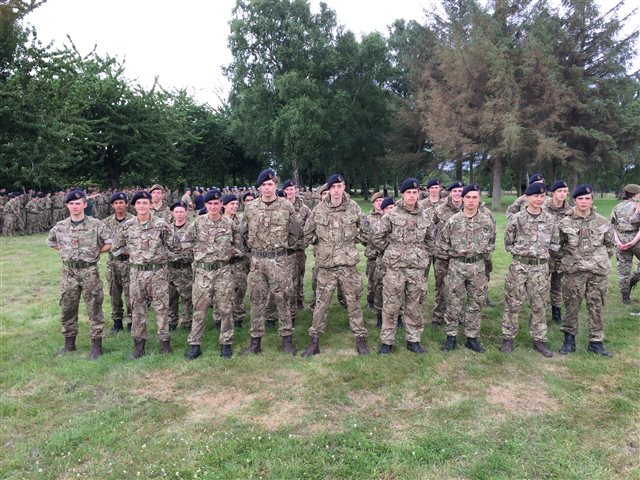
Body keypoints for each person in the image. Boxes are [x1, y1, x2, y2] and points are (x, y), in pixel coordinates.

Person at [301, 174, 369, 356]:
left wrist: (354, 240)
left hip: (347, 266)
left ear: (344, 187)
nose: (337, 190)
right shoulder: (319, 209)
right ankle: (314, 341)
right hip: (327, 266)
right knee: (320, 305)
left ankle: (360, 338)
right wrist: (320, 243)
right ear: (329, 189)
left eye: (340, 186)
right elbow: (307, 232)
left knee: (353, 303)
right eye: (333, 187)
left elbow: (366, 230)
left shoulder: (353, 207)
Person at [110, 191, 179, 359]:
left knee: (161, 308)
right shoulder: (127, 226)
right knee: (137, 308)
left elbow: (175, 245)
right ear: (134, 206)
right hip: (136, 273)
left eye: (145, 203)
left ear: (150, 205)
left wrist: (161, 254)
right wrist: (133, 252)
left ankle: (165, 343)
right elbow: (116, 247)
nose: (142, 206)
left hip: (158, 273)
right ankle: (139, 345)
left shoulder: (161, 224)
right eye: (139, 203)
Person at [242, 169, 302, 355]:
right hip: (258, 261)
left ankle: (287, 340)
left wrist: (283, 248)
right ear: (259, 187)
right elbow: (243, 233)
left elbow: (295, 231)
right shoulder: (251, 208)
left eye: (270, 184)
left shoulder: (286, 206)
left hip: (279, 260)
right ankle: (255, 341)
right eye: (263, 185)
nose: (267, 188)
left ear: (276, 185)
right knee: (256, 299)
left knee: (283, 298)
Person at [371, 179, 435, 355]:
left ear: (418, 194)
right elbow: (376, 236)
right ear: (403, 194)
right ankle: (387, 342)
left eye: (415, 193)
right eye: (409, 193)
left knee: (414, 306)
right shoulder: (392, 215)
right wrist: (391, 251)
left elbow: (431, 239)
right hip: (395, 269)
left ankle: (413, 341)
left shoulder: (425, 216)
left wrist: (421, 253)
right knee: (391, 306)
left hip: (416, 269)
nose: (412, 196)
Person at [46, 190, 112, 358]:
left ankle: (96, 345)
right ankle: (69, 343)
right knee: (67, 307)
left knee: (94, 307)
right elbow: (50, 241)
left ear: (84, 204)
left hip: (89, 271)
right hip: (69, 272)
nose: (74, 206)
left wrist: (95, 251)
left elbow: (110, 242)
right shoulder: (61, 226)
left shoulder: (96, 224)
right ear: (67, 206)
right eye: (71, 204)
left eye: (78, 203)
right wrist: (65, 251)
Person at [500, 183, 560, 357]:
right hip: (519, 266)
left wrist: (540, 255)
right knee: (513, 303)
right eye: (535, 196)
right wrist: (523, 253)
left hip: (540, 268)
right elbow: (508, 243)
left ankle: (539, 340)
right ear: (527, 197)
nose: (539, 199)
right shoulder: (516, 218)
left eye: (542, 196)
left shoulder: (550, 219)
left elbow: (555, 243)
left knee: (539, 304)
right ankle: (508, 338)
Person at [185, 190, 244, 359]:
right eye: (210, 204)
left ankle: (226, 343)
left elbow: (239, 244)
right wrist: (197, 250)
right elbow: (185, 241)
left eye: (216, 203)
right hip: (202, 272)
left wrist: (232, 251)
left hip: (223, 271)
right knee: (199, 309)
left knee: (226, 308)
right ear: (205, 205)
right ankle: (194, 344)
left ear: (221, 205)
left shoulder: (229, 223)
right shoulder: (198, 222)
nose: (213, 207)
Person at [558, 185, 615, 357]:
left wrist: (598, 260)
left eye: (587, 198)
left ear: (592, 200)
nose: (584, 202)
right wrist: (569, 262)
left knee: (596, 306)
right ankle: (569, 341)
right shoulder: (564, 222)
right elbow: (558, 247)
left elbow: (609, 245)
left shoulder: (602, 221)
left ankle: (596, 342)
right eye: (580, 199)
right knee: (571, 306)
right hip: (574, 272)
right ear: (574, 200)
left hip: (597, 272)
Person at [438, 184, 495, 353]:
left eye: (474, 197)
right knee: (453, 302)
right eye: (468, 197)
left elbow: (491, 243)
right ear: (462, 199)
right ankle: (451, 337)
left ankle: (472, 338)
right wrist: (453, 258)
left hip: (478, 267)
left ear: (479, 199)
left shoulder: (486, 222)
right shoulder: (453, 221)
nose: (471, 201)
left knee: (476, 302)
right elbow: (442, 244)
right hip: (456, 266)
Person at [430, 181, 465, 326]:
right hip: (443, 257)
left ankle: (458, 316)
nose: (457, 194)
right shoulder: (440, 210)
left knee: (459, 288)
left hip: (461, 256)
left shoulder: (468, 208)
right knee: (441, 286)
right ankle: (438, 316)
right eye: (455, 191)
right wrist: (436, 246)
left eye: (460, 191)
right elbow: (430, 230)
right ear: (450, 192)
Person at [103, 192, 134, 333]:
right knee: (114, 293)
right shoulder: (106, 222)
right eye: (116, 203)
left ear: (126, 204)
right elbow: (101, 241)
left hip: (129, 263)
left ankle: (132, 322)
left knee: (131, 294)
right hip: (113, 263)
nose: (119, 205)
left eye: (121, 202)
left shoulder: (134, 221)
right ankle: (117, 322)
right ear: (112, 205)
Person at [543, 180, 572, 323]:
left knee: (557, 285)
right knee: (541, 285)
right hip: (544, 253)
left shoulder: (570, 211)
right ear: (553, 193)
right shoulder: (543, 208)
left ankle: (556, 312)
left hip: (561, 253)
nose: (562, 194)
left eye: (565, 191)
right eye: (559, 191)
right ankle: (538, 314)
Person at [283, 179, 312, 311]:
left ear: (296, 190)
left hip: (298, 249)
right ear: (284, 191)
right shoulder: (280, 206)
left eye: (292, 189)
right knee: (284, 277)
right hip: (283, 249)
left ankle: (299, 300)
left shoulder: (304, 209)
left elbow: (311, 226)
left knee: (299, 275)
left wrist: (304, 242)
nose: (290, 192)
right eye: (287, 189)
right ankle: (286, 301)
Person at [222, 193, 249, 327]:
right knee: (223, 292)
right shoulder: (219, 222)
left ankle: (238, 318)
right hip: (223, 264)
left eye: (236, 204)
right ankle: (221, 319)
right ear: (224, 205)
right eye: (231, 204)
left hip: (239, 263)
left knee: (240, 290)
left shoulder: (242, 221)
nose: (234, 206)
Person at [610, 184, 640, 305]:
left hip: (621, 240)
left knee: (623, 270)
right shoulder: (637, 206)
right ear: (636, 194)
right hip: (636, 240)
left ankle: (625, 297)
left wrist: (617, 241)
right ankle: (634, 279)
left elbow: (611, 226)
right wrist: (633, 242)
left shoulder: (617, 207)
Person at [167, 201, 194, 331]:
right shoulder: (167, 229)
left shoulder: (191, 228)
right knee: (170, 297)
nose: (179, 214)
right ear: (172, 213)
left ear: (186, 213)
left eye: (181, 211)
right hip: (169, 269)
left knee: (187, 298)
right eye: (176, 212)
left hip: (185, 268)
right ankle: (171, 322)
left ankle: (187, 323)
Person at [361, 191, 384, 310]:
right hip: (373, 255)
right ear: (373, 203)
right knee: (372, 279)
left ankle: (382, 301)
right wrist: (373, 243)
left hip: (386, 255)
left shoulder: (388, 215)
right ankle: (371, 300)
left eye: (381, 201)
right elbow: (363, 235)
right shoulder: (368, 218)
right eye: (377, 201)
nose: (379, 203)